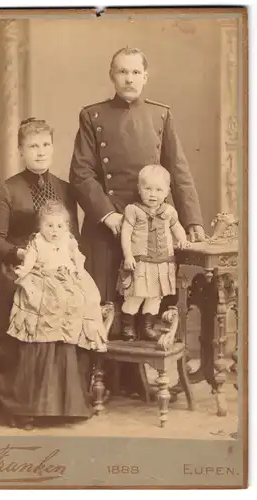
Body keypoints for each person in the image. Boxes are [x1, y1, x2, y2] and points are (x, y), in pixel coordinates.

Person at [69, 46, 205, 397]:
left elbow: (178, 170)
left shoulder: (161, 115)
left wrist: (192, 221)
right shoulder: (92, 115)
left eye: (135, 72)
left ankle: (134, 380)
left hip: (155, 226)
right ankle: (100, 380)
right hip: (106, 222)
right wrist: (110, 214)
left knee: (145, 298)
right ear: (111, 76)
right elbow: (81, 173)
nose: (128, 78)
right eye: (121, 72)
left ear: (146, 76)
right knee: (105, 300)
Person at [0, 118, 95, 429]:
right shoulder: (7, 190)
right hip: (14, 263)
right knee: (28, 301)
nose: (40, 152)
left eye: (45, 145)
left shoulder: (66, 189)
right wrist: (21, 254)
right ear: (20, 151)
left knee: (72, 298)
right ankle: (24, 406)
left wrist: (66, 265)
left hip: (56, 261)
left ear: (53, 148)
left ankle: (61, 402)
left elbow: (74, 236)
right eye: (32, 146)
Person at [7, 199, 107, 353]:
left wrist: (79, 270)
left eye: (59, 226)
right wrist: (24, 270)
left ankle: (90, 337)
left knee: (86, 297)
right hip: (44, 275)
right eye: (49, 226)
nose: (54, 231)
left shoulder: (67, 239)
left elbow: (77, 256)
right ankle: (47, 337)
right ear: (41, 226)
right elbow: (30, 259)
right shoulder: (38, 241)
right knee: (45, 300)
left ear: (66, 226)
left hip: (68, 274)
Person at [117, 165, 189, 341]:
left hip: (162, 262)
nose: (152, 194)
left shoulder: (169, 211)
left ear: (166, 192)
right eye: (147, 189)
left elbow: (176, 226)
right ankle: (128, 327)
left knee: (155, 296)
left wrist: (183, 239)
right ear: (139, 190)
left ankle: (147, 327)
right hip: (141, 261)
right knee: (137, 294)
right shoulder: (133, 210)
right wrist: (128, 255)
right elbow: (125, 234)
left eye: (158, 190)